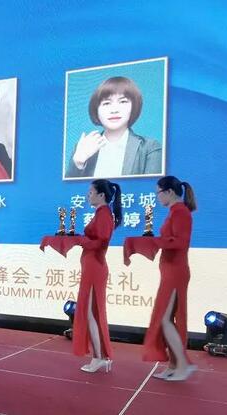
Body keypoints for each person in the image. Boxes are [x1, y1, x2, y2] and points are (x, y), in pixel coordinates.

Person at [143, 176, 197, 381]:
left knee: (165, 319)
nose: (157, 197)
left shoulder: (181, 212)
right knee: (166, 319)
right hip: (169, 270)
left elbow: (180, 242)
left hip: (176, 272)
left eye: (158, 192)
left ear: (169, 192)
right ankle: (174, 365)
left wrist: (157, 242)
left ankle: (183, 365)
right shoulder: (175, 212)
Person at [66, 76, 162, 178]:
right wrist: (78, 162)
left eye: (123, 101)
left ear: (134, 106)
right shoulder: (83, 146)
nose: (114, 110)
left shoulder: (149, 148)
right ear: (96, 110)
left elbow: (151, 186)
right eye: (106, 103)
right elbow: (67, 187)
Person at [73, 179, 122, 373]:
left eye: (91, 192)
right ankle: (100, 356)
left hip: (95, 267)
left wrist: (81, 241)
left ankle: (99, 357)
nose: (88, 196)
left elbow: (101, 242)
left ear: (101, 195)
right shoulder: (102, 213)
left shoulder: (104, 214)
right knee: (91, 311)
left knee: (91, 312)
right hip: (91, 265)